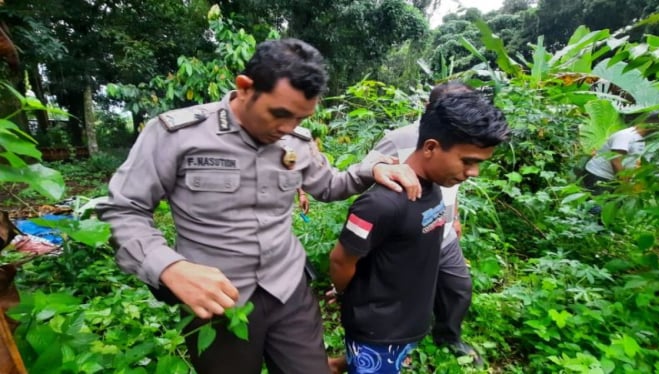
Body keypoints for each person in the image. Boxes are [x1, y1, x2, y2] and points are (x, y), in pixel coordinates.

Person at [96, 38, 421, 374]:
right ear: (245, 87)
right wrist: (170, 268)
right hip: (219, 303)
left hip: (289, 290)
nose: (286, 128)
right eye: (279, 114)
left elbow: (329, 184)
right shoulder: (177, 135)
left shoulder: (296, 141)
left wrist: (373, 169)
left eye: (299, 118)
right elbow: (123, 209)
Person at [329, 91, 509, 374]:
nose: (473, 173)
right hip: (379, 329)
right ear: (430, 147)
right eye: (467, 161)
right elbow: (341, 261)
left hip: (408, 321)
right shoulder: (381, 204)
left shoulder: (433, 186)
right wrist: (343, 292)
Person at [582, 111, 659, 195]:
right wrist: (625, 185)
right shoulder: (626, 135)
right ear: (655, 125)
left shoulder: (640, 138)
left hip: (613, 179)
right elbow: (616, 161)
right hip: (599, 175)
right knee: (597, 205)